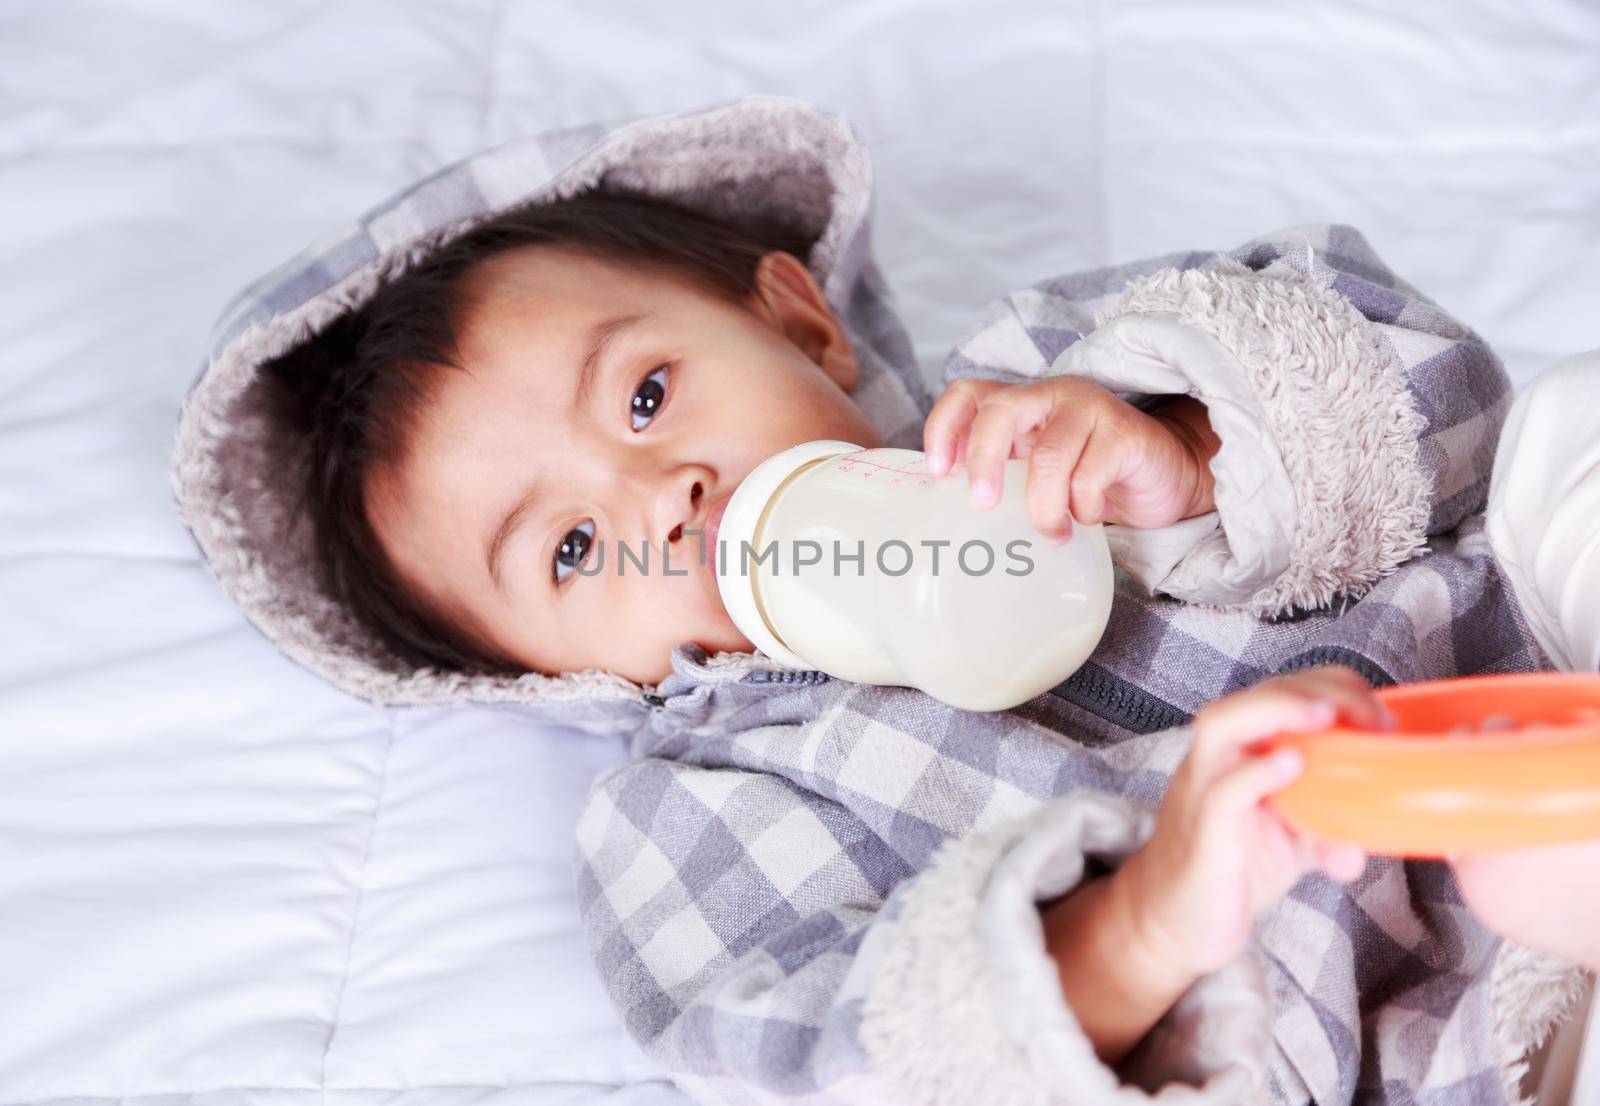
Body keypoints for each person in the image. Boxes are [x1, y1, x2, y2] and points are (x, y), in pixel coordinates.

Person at [175, 96, 1599, 1104]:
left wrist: (1182, 449)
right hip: (1449, 1031)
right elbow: (839, 1052)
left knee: (1567, 432)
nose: (659, 493)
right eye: (567, 553)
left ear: (800, 319)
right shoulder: (709, 801)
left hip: (1533, 680)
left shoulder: (1044, 379)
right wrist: (1155, 913)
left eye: (649, 393)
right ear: (546, 672)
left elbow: (1429, 387)